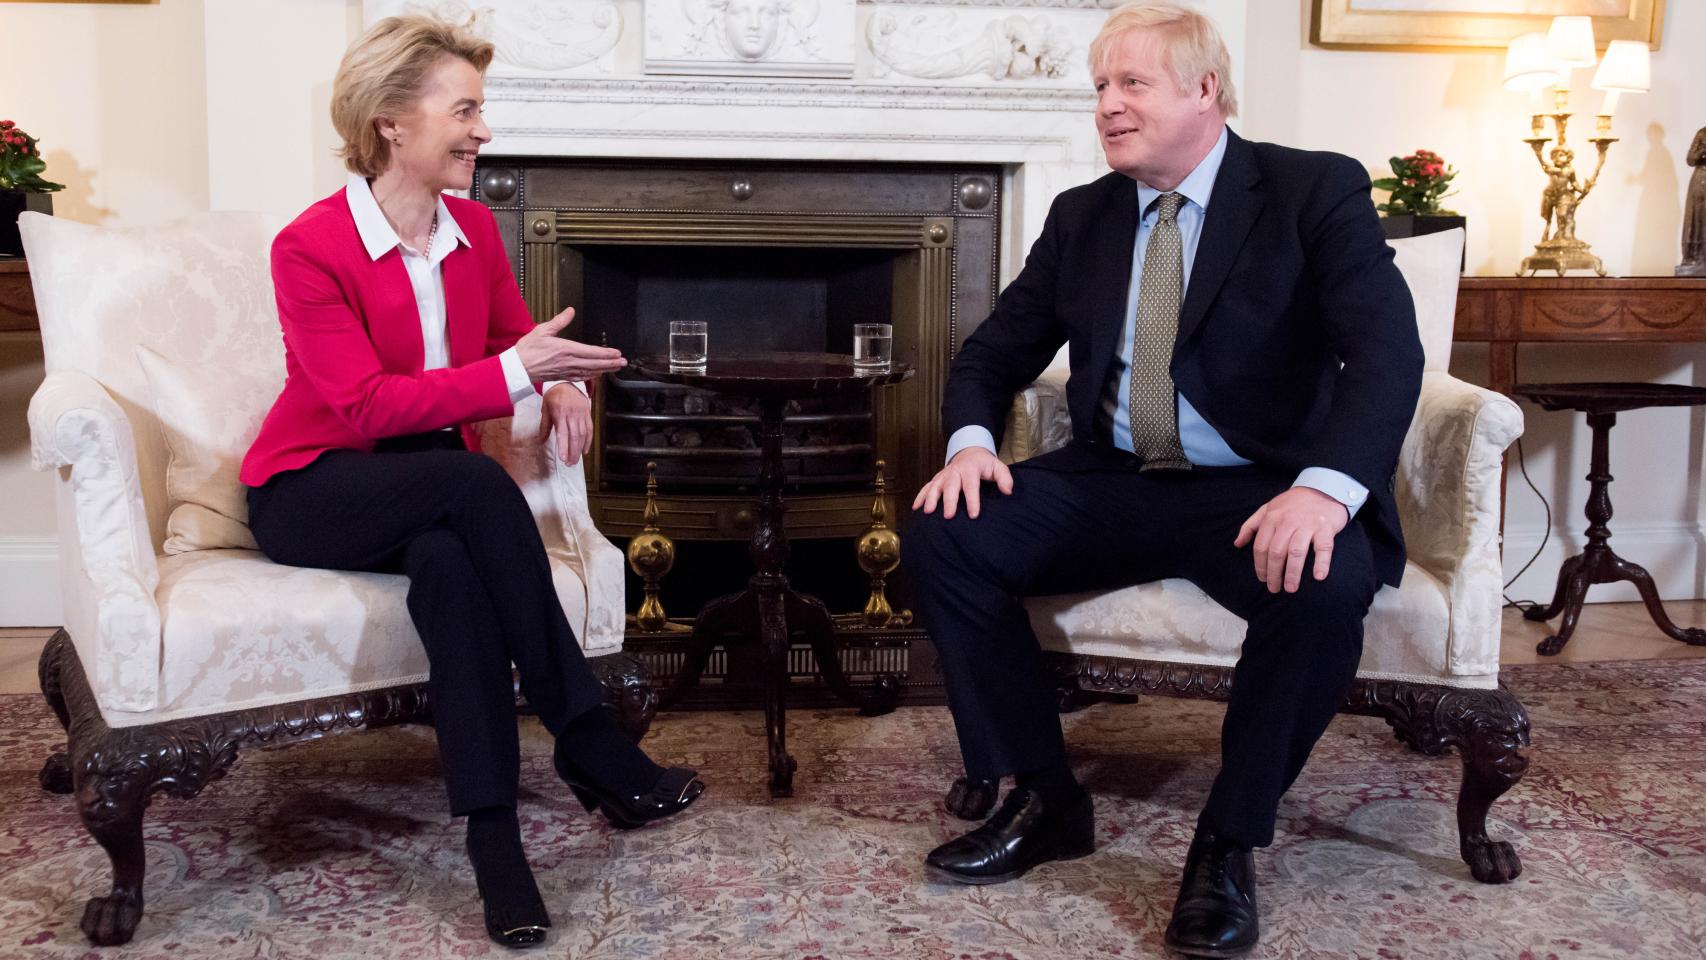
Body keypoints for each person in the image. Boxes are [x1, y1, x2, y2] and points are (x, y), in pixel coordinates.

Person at [904, 3, 1422, 956]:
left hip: (1259, 484)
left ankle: (1227, 841)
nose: (1106, 106)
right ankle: (1044, 796)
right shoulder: (1084, 215)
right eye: (1100, 87)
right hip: (1117, 477)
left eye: (1131, 84)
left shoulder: (1312, 193)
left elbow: (1387, 356)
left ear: (1204, 91)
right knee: (945, 531)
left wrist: (1324, 488)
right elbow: (991, 352)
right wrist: (972, 443)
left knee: (1324, 584)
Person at [239, 15, 704, 949]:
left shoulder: (475, 229)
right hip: (312, 488)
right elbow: (365, 407)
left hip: (429, 487)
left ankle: (497, 844)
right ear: (390, 124)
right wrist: (520, 373)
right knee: (473, 485)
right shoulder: (310, 247)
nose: (483, 130)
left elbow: (516, 336)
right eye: (464, 110)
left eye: (480, 109)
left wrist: (564, 380)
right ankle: (586, 736)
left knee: (452, 569)